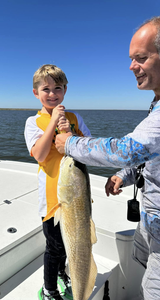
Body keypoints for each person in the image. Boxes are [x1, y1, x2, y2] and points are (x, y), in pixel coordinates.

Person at [55, 17, 160, 300]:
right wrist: (124, 176)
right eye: (131, 58)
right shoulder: (155, 104)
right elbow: (149, 155)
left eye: (141, 57)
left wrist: (70, 144)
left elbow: (127, 149)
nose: (131, 66)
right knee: (142, 272)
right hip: (151, 223)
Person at [24, 64, 91, 300]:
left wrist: (70, 133)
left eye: (58, 88)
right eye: (46, 89)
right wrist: (53, 122)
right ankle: (49, 289)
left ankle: (65, 273)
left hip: (78, 196)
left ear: (65, 91)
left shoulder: (75, 118)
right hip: (52, 201)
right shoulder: (33, 122)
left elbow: (89, 150)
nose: (52, 94)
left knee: (75, 243)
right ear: (36, 93)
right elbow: (40, 155)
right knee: (55, 247)